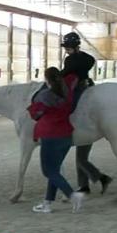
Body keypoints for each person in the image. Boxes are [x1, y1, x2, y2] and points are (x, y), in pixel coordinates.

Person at [59, 31, 110, 195]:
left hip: (78, 87)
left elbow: (65, 73)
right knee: (81, 157)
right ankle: (84, 186)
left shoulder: (70, 59)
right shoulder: (86, 57)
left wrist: (56, 76)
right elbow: (91, 62)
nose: (66, 50)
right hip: (88, 84)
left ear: (70, 47)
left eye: (66, 47)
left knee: (68, 104)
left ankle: (100, 178)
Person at [28, 67, 85, 214]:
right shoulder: (67, 94)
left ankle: (72, 195)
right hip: (66, 135)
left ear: (47, 80)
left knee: (48, 171)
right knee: (55, 171)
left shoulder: (45, 95)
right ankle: (47, 203)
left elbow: (35, 114)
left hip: (50, 136)